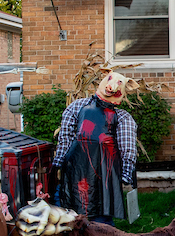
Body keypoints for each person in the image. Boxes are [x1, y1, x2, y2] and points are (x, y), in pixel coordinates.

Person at [51, 70, 138, 225]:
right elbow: (128, 151)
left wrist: (58, 165)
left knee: (65, 222)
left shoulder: (77, 107)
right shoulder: (123, 118)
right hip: (99, 180)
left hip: (77, 175)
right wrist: (124, 176)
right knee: (98, 226)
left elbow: (65, 141)